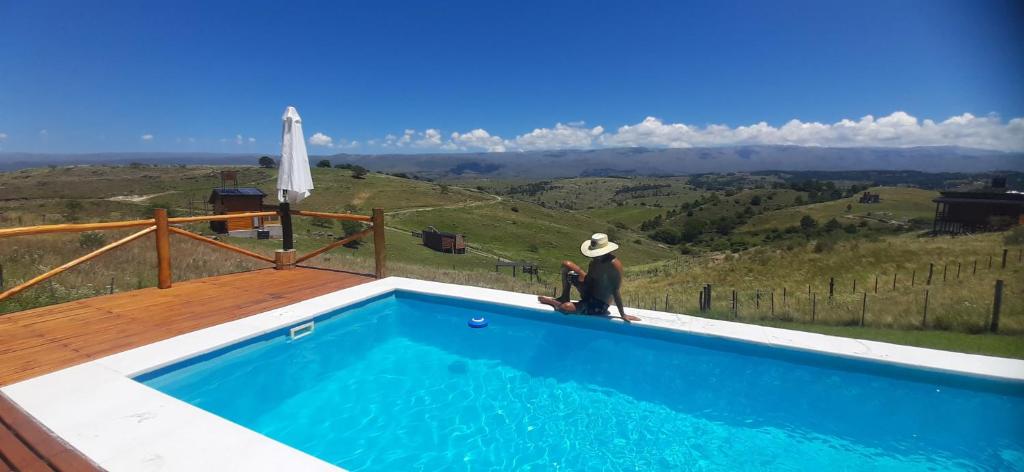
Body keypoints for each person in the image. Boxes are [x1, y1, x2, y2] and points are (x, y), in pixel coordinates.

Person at [538, 233, 640, 322]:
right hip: (589, 293)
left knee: (566, 308)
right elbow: (588, 282)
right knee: (566, 264)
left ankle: (555, 303)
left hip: (599, 304)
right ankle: (564, 296)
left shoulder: (613, 265)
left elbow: (615, 290)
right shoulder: (594, 263)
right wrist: (577, 282)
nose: (594, 256)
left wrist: (623, 314)